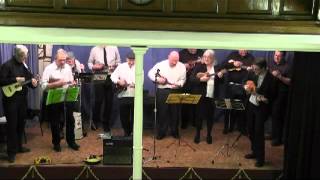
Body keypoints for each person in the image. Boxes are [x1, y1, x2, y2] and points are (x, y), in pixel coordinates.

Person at [0, 45, 38, 163]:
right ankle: (11, 152)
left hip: (22, 100)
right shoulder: (7, 65)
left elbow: (29, 80)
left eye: (25, 56)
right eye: (22, 56)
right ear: (17, 54)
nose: (24, 58)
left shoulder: (24, 65)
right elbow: (1, 81)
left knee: (21, 124)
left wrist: (34, 83)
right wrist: (15, 79)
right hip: (10, 100)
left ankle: (19, 147)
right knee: (12, 125)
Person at [41, 49, 80, 152]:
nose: (63, 62)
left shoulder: (67, 67)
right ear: (55, 59)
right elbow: (43, 86)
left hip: (67, 96)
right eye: (60, 60)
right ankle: (56, 143)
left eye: (64, 59)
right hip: (55, 97)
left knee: (70, 120)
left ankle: (71, 142)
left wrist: (72, 84)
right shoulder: (49, 68)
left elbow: (69, 81)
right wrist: (56, 84)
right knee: (55, 121)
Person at [244, 57, 277, 167]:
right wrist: (247, 89)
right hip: (251, 105)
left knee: (258, 133)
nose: (255, 71)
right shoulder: (253, 73)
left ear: (264, 68)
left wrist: (264, 99)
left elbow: (272, 97)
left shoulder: (271, 79)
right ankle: (254, 152)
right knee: (250, 129)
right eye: (254, 68)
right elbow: (246, 84)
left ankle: (261, 158)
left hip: (261, 109)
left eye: (257, 69)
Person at [148, 51, 186, 140]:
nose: (175, 62)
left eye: (176, 60)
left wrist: (179, 84)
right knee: (162, 112)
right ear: (168, 57)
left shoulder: (182, 66)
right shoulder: (160, 65)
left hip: (176, 91)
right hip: (162, 91)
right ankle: (161, 132)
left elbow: (183, 79)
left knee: (175, 113)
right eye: (173, 60)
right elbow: (150, 73)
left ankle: (174, 131)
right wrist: (158, 79)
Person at [189, 49, 223, 144]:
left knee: (210, 117)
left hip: (212, 96)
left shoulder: (217, 68)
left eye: (209, 57)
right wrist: (201, 80)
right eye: (205, 57)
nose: (206, 59)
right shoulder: (199, 66)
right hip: (201, 96)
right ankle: (198, 134)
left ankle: (209, 134)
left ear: (213, 58)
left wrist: (221, 77)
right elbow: (191, 79)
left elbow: (221, 82)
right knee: (199, 116)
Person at [88, 45, 121, 138]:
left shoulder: (114, 48)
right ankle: (95, 121)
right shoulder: (94, 49)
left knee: (109, 101)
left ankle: (106, 123)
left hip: (111, 75)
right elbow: (89, 63)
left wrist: (115, 66)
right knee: (98, 100)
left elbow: (119, 61)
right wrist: (94, 66)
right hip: (99, 74)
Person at [221, 49, 254, 134]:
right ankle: (227, 127)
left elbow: (254, 71)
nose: (243, 51)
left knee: (241, 108)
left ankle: (241, 127)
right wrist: (232, 63)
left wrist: (251, 70)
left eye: (245, 49)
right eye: (241, 49)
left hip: (242, 87)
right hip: (230, 86)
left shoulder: (251, 58)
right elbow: (223, 65)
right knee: (228, 107)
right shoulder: (232, 54)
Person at [268, 50, 291, 146]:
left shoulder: (288, 66)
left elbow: (290, 81)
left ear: (283, 57)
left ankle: (278, 139)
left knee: (278, 116)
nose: (277, 57)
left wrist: (280, 76)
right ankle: (273, 135)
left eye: (279, 56)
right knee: (272, 115)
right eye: (276, 55)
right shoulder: (270, 64)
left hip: (281, 95)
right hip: (271, 94)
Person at [111, 50, 136, 136]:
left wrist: (134, 83)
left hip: (134, 95)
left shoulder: (139, 67)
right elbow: (112, 76)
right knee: (124, 117)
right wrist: (118, 81)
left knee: (134, 116)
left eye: (133, 60)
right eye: (130, 59)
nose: (131, 61)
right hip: (122, 95)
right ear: (126, 59)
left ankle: (133, 132)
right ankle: (127, 132)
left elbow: (141, 81)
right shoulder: (121, 66)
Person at [178, 49, 203, 129]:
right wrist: (183, 66)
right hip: (185, 82)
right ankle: (184, 123)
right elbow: (175, 65)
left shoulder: (201, 53)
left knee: (198, 103)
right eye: (191, 48)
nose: (193, 49)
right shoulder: (181, 53)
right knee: (185, 103)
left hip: (197, 82)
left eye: (194, 48)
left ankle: (196, 122)